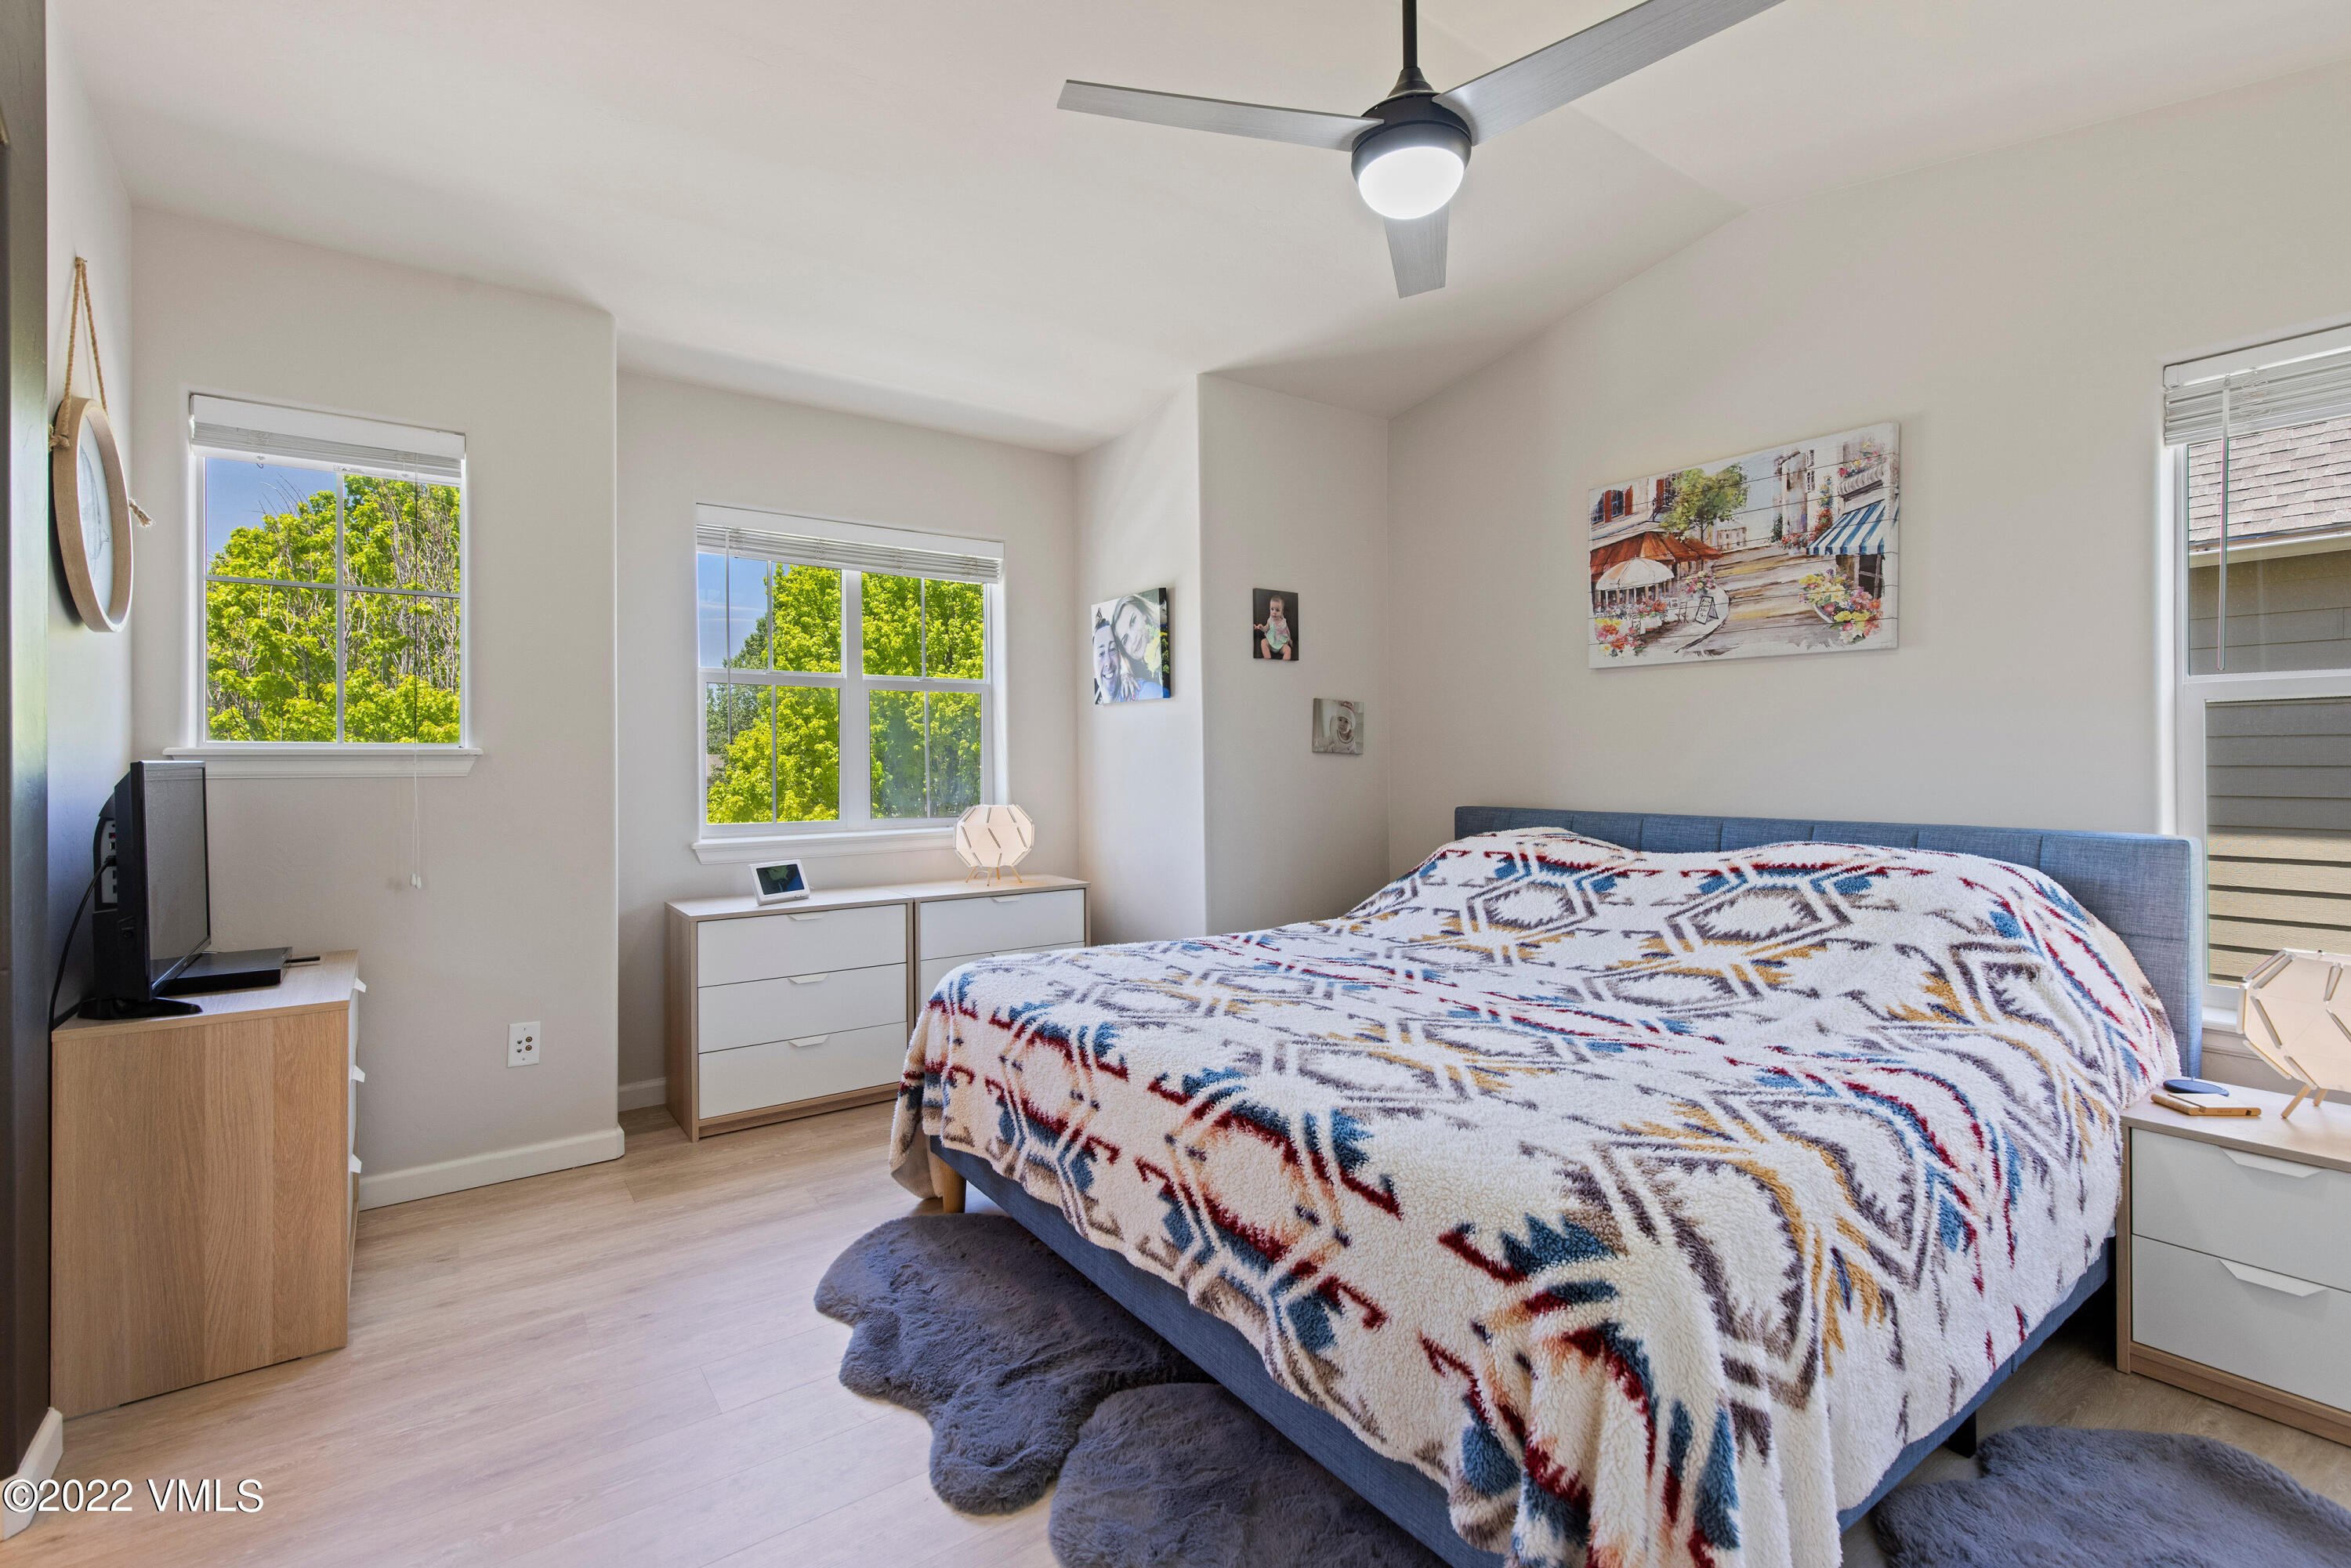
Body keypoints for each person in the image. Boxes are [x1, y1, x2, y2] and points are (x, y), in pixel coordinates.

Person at [1255, 593, 1295, 661]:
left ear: (1282, 612)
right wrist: (1262, 627)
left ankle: (1284, 664)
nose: (1274, 612)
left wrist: (1289, 639)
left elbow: (1287, 631)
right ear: (1269, 609)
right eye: (1272, 609)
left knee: (1288, 650)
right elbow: (1266, 629)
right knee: (1263, 642)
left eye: (1277, 610)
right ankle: (1267, 658)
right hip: (1270, 642)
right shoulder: (1270, 620)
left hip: (1281, 644)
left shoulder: (1284, 622)